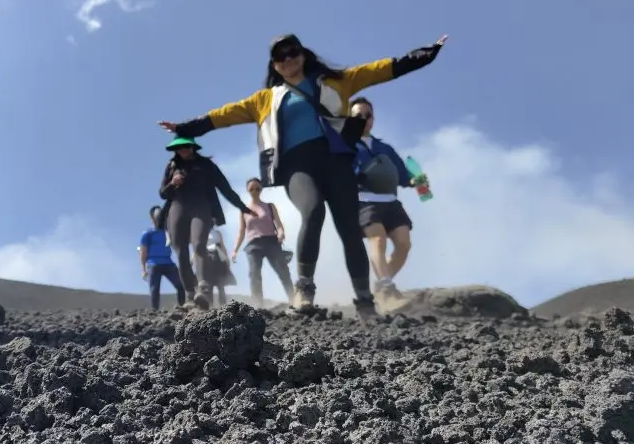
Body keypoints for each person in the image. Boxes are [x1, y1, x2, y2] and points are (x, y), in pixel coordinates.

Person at [158, 33, 446, 321]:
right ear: (274, 65)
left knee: (348, 227)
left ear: (303, 54)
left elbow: (380, 70)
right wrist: (186, 128)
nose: (287, 59)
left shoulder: (337, 81)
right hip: (295, 166)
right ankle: (304, 289)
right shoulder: (265, 99)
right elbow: (224, 115)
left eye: (292, 52)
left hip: (336, 161)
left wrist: (426, 54)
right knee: (312, 210)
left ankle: (365, 302)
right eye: (280, 56)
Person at [157, 137, 252, 310]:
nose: (182, 150)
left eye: (185, 146)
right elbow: (163, 193)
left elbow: (225, 188)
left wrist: (242, 207)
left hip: (202, 208)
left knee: (200, 245)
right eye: (178, 148)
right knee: (181, 252)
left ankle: (203, 288)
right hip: (177, 209)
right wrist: (173, 183)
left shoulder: (206, 165)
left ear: (193, 146)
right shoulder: (172, 166)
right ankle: (190, 295)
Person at [348, 97, 420, 304]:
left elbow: (403, 175)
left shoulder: (385, 147)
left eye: (367, 115)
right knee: (377, 239)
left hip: (391, 201)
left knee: (404, 244)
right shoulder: (345, 146)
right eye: (358, 116)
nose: (364, 119)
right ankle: (387, 287)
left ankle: (382, 282)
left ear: (373, 118)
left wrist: (416, 181)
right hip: (363, 201)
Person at [231, 177, 295, 307]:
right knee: (254, 274)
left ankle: (293, 300)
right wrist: (235, 250)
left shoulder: (269, 206)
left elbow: (278, 223)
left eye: (257, 188)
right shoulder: (244, 210)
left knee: (283, 271)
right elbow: (241, 232)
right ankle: (258, 305)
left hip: (272, 242)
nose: (255, 191)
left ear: (261, 189)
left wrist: (281, 232)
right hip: (253, 245)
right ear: (248, 190)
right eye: (251, 189)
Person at [139, 205, 186, 311]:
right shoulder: (147, 234)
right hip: (153, 264)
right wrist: (143, 269)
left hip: (168, 263)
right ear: (152, 218)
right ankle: (154, 312)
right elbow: (143, 252)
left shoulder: (167, 232)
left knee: (180, 285)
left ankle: (183, 308)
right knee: (154, 289)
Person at [203, 226, 237, 306]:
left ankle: (223, 305)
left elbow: (222, 245)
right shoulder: (200, 232)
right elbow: (197, 247)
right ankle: (209, 306)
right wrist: (194, 260)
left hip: (218, 260)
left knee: (220, 284)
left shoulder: (217, 233)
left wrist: (227, 259)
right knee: (208, 285)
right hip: (206, 259)